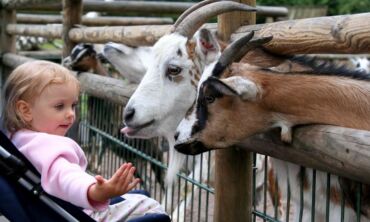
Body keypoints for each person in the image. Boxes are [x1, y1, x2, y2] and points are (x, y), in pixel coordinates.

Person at [0, 60, 167, 221]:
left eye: (73, 105)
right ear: (25, 110)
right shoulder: (47, 147)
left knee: (135, 197)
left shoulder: (14, 139)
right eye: (59, 106)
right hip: (82, 213)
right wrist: (94, 191)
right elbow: (66, 177)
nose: (71, 114)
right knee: (149, 205)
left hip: (54, 209)